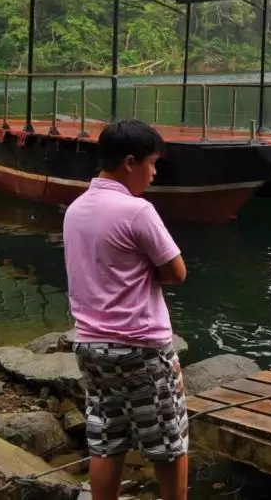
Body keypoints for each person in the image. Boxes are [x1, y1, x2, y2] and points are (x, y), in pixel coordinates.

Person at [63, 119, 189, 500]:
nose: (153, 174)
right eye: (152, 163)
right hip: (141, 347)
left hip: (90, 346)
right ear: (130, 161)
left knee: (106, 437)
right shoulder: (137, 211)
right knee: (169, 441)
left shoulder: (75, 209)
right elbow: (177, 272)